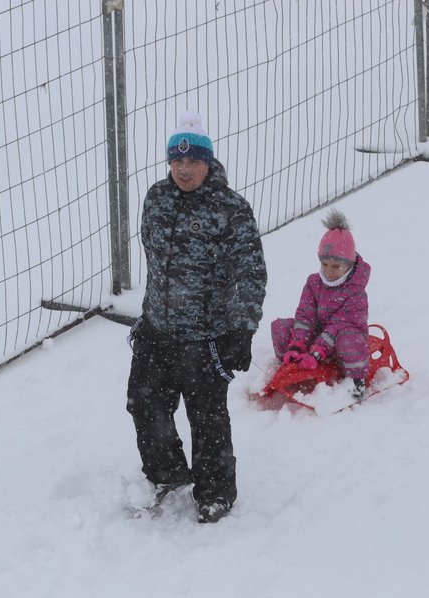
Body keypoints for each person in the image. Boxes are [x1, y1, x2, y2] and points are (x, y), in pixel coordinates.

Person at [127, 111, 267, 524]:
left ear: (208, 161)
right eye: (177, 161)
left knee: (206, 419)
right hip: (157, 328)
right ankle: (167, 473)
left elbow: (250, 272)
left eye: (193, 161)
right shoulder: (156, 197)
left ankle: (216, 492)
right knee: (144, 403)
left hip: (206, 337)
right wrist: (157, 310)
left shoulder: (231, 210)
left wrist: (241, 329)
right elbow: (154, 258)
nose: (184, 169)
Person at [270, 209, 370, 399]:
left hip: (341, 338)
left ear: (348, 265)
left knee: (350, 340)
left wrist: (318, 351)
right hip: (318, 336)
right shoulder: (314, 282)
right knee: (280, 327)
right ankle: (292, 367)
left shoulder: (355, 290)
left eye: (336, 266)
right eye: (325, 264)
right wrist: (297, 344)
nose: (329, 271)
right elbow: (305, 316)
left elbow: (339, 325)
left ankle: (356, 383)